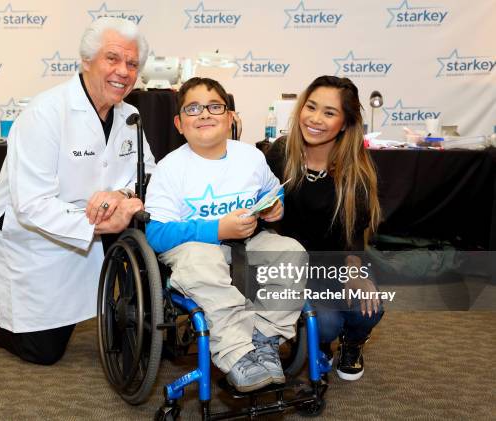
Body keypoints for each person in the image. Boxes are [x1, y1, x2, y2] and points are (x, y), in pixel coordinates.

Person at [0, 17, 156, 365]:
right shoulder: (44, 114)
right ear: (86, 60)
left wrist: (120, 195)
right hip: (35, 233)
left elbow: (148, 172)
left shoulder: (130, 116)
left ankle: (128, 321)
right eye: (112, 58)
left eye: (132, 63)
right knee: (41, 351)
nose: (123, 71)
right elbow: (30, 203)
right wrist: (96, 225)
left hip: (95, 223)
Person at [145, 77, 306, 392]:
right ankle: (238, 354)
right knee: (202, 264)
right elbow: (157, 233)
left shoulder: (250, 157)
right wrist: (217, 229)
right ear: (179, 124)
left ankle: (265, 340)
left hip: (248, 240)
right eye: (193, 108)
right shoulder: (169, 169)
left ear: (230, 116)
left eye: (214, 106)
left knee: (292, 253)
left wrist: (276, 207)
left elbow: (274, 193)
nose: (205, 114)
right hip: (192, 247)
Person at [265, 75, 383, 381]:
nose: (315, 119)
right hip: (293, 263)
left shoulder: (356, 169)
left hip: (339, 261)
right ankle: (319, 342)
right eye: (311, 107)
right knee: (326, 323)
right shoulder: (280, 154)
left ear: (344, 123)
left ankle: (353, 343)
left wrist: (354, 273)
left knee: (369, 308)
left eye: (329, 113)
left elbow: (356, 234)